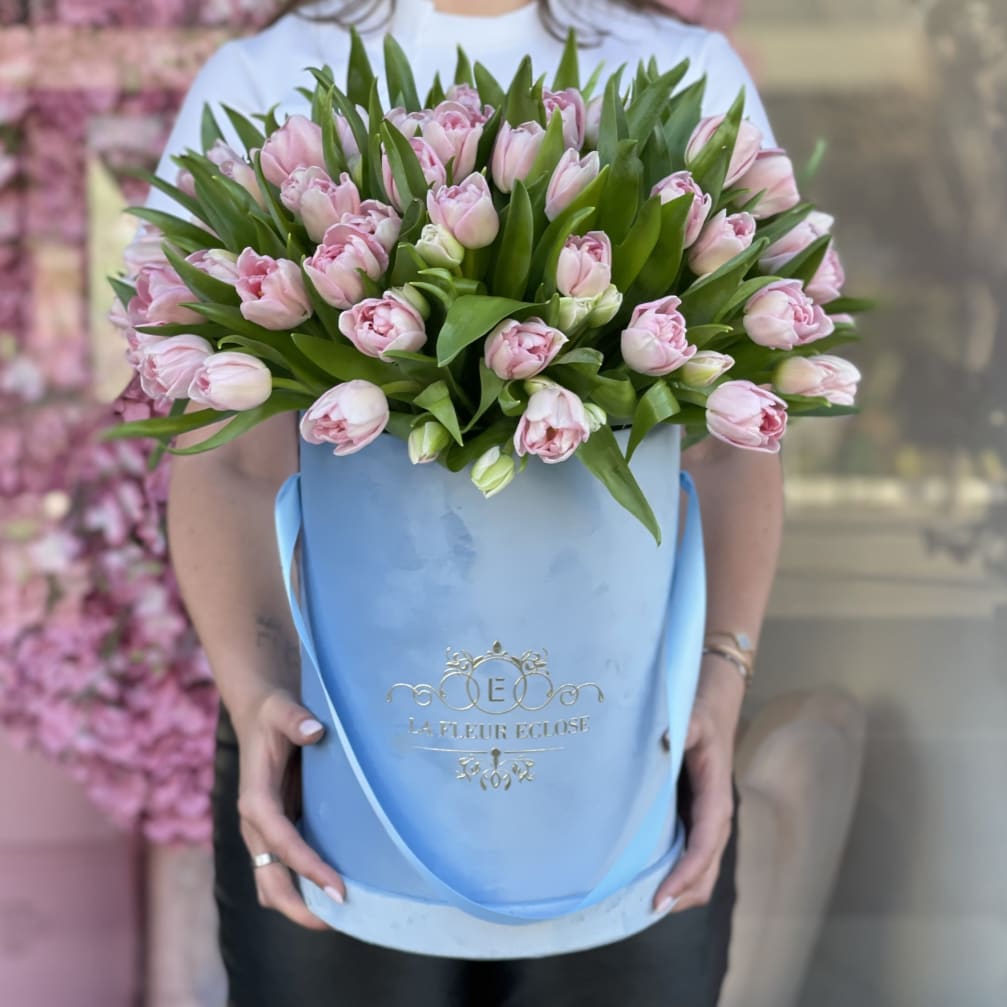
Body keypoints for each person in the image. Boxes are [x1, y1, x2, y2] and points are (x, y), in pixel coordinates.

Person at [158, 1, 784, 1004]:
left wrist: (717, 680)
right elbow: (223, 457)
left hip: (623, 745)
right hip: (334, 746)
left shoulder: (681, 71)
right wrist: (254, 691)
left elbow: (732, 454)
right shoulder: (266, 76)